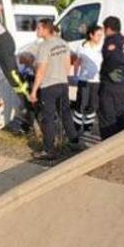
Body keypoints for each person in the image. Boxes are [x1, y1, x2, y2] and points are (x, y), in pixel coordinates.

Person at [29, 19, 82, 160]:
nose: (37, 31)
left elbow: (41, 70)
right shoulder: (63, 43)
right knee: (65, 114)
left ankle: (48, 150)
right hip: (62, 84)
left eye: (39, 28)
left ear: (46, 29)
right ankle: (75, 142)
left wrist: (34, 90)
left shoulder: (44, 47)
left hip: (49, 86)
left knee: (48, 119)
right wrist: (61, 77)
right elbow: (67, 64)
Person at [71, 25, 104, 132]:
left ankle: (87, 127)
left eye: (101, 35)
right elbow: (77, 62)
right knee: (81, 104)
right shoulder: (83, 47)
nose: (100, 37)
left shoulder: (103, 47)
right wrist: (76, 75)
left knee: (93, 105)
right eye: (98, 35)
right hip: (84, 80)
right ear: (91, 35)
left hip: (97, 81)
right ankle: (76, 126)